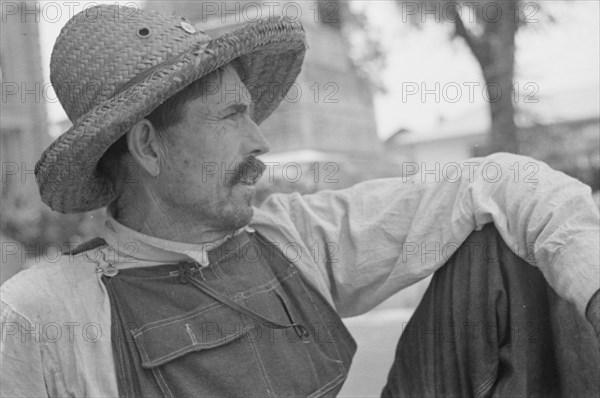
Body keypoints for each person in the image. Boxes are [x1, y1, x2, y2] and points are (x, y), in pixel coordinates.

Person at [1, 4, 598, 397]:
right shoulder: (44, 314)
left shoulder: (288, 234)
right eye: (232, 115)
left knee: (508, 245)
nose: (259, 140)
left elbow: (496, 182)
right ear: (149, 147)